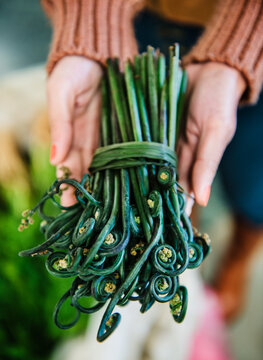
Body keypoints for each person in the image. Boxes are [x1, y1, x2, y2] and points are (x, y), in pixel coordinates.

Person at [42, 0, 263, 322]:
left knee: (254, 183)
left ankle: (238, 259)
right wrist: (91, 19)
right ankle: (182, 229)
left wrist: (248, 38)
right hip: (139, 10)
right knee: (186, 167)